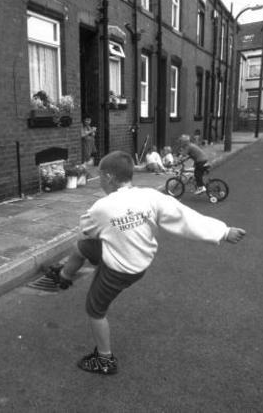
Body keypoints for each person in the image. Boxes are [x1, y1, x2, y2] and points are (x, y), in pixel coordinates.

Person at [45, 150, 246, 375]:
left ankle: (104, 360)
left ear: (109, 177)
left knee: (95, 309)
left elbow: (86, 228)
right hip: (139, 259)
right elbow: (184, 216)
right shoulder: (150, 196)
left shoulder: (101, 208)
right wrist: (223, 231)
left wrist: (110, 228)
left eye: (100, 176)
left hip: (121, 269)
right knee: (81, 247)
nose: (100, 180)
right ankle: (63, 277)